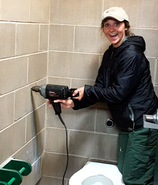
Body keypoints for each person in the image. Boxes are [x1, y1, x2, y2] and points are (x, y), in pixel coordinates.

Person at [49, 7, 158, 185]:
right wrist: (73, 103)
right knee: (125, 171)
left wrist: (87, 90)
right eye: (107, 25)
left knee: (134, 177)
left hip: (145, 122)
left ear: (126, 26)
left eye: (117, 24)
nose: (111, 29)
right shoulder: (110, 53)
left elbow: (118, 93)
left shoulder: (131, 54)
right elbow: (100, 89)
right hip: (130, 123)